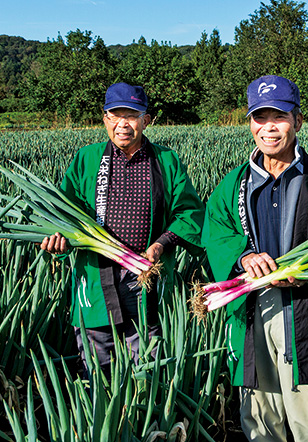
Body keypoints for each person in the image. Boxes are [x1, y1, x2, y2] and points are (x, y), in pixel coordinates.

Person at [202, 75, 308, 442]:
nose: (269, 127)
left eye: (280, 117)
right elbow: (216, 231)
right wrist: (243, 257)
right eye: (260, 118)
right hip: (252, 309)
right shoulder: (234, 184)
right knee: (258, 415)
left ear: (298, 121)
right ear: (250, 123)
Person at [41, 82, 204, 375]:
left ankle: (144, 417)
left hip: (145, 277)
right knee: (96, 366)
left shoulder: (166, 161)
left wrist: (162, 243)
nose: (122, 124)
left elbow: (190, 212)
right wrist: (58, 236)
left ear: (146, 120)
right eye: (115, 115)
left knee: (147, 367)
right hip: (95, 276)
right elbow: (62, 212)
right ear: (104, 118)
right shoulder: (87, 159)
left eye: (132, 115)